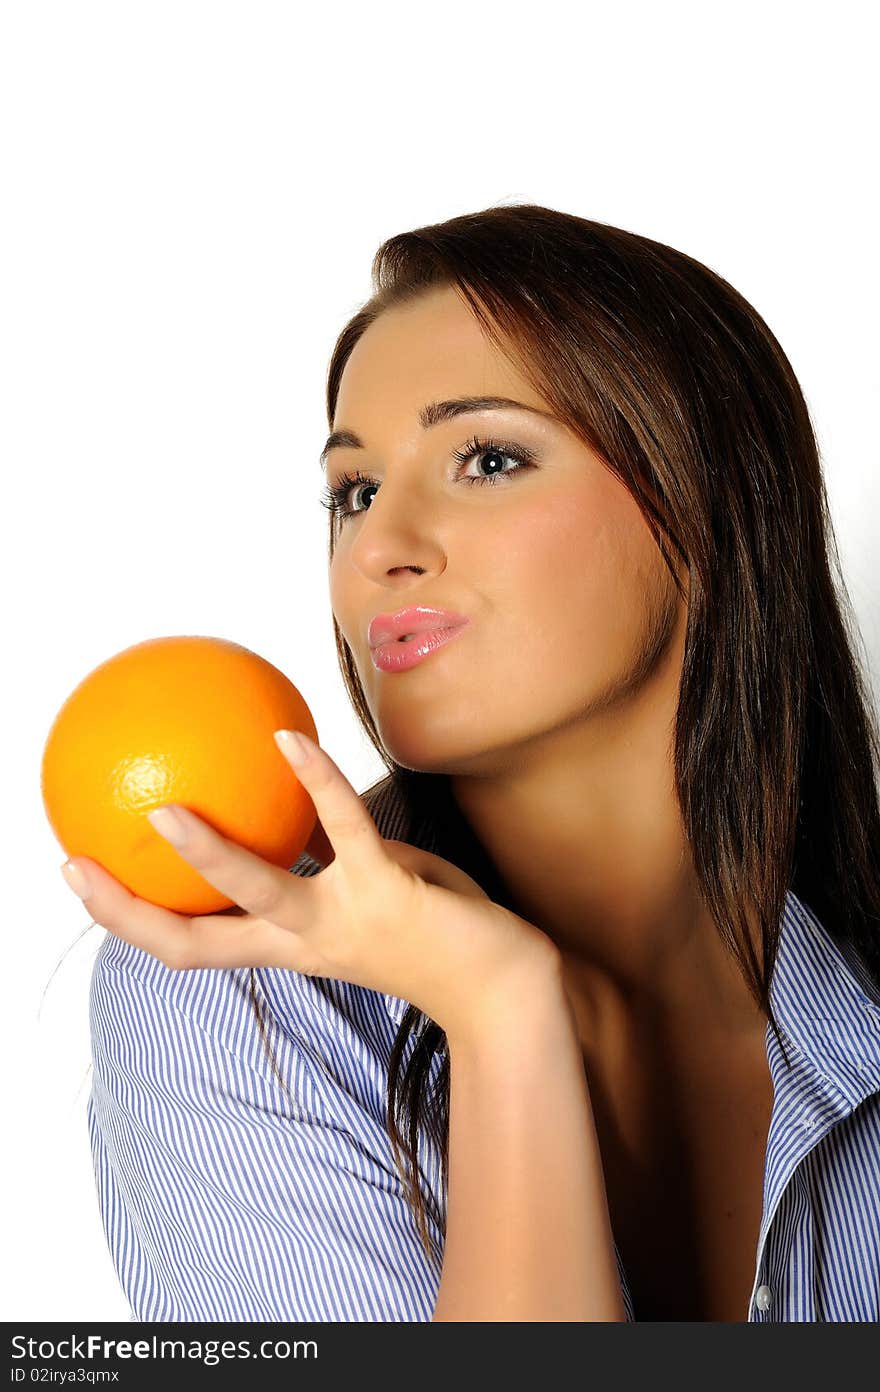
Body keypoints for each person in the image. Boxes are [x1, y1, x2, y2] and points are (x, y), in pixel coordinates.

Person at [76, 204, 880, 1322]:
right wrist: (499, 1012)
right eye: (352, 490)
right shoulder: (240, 1004)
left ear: (705, 499)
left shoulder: (856, 983)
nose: (377, 544)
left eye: (487, 458)